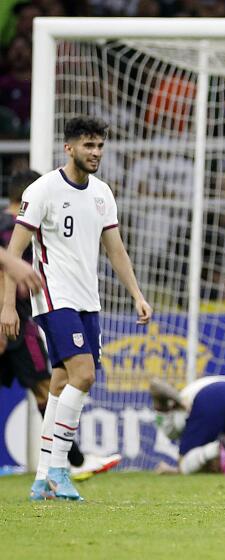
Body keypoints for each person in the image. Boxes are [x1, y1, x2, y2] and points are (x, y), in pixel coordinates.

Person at [1, 116, 152, 501]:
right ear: (68, 148)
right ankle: (60, 469)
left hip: (88, 299)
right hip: (53, 296)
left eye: (100, 146)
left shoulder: (102, 193)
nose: (96, 152)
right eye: (88, 145)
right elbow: (13, 254)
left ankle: (41, 480)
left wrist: (136, 293)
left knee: (62, 383)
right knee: (84, 375)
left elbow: (115, 249)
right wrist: (7, 307)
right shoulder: (43, 190)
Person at [0, 170, 121, 482]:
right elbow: (6, 268)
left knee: (53, 383)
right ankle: (67, 463)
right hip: (16, 321)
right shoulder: (15, 226)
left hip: (20, 316)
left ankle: (56, 468)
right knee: (52, 385)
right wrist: (7, 308)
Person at [150, 376, 225, 475]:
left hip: (210, 396)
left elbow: (155, 384)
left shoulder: (172, 416)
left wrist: (181, 401)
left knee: (183, 462)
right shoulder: (190, 392)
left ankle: (218, 447)